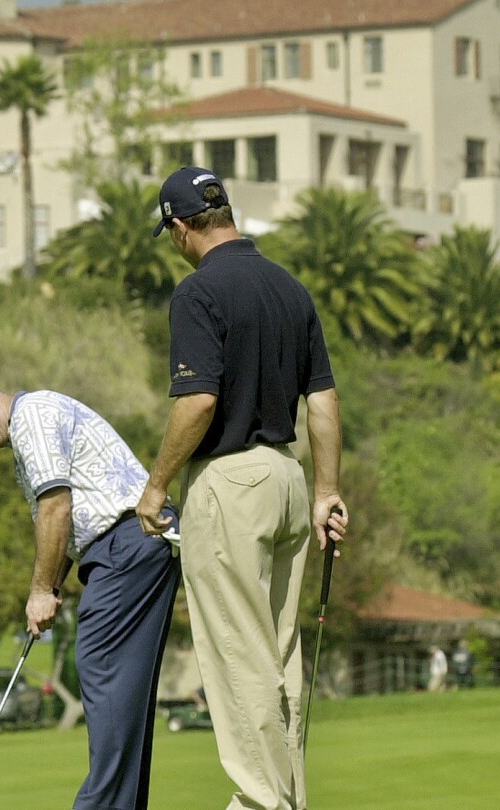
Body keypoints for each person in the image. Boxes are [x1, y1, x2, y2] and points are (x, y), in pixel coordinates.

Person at [134, 166, 347, 810]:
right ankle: (287, 798)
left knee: (238, 655)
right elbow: (324, 401)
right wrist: (325, 492)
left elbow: (198, 402)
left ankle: (262, 802)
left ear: (178, 228)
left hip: (230, 482)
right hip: (287, 477)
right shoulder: (289, 287)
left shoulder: (197, 294)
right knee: (279, 657)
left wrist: (156, 484)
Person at [0, 378, 180, 810]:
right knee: (123, 689)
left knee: (99, 665)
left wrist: (40, 591)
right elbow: (65, 527)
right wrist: (51, 584)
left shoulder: (32, 417)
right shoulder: (30, 429)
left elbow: (56, 508)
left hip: (125, 543)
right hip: (129, 546)